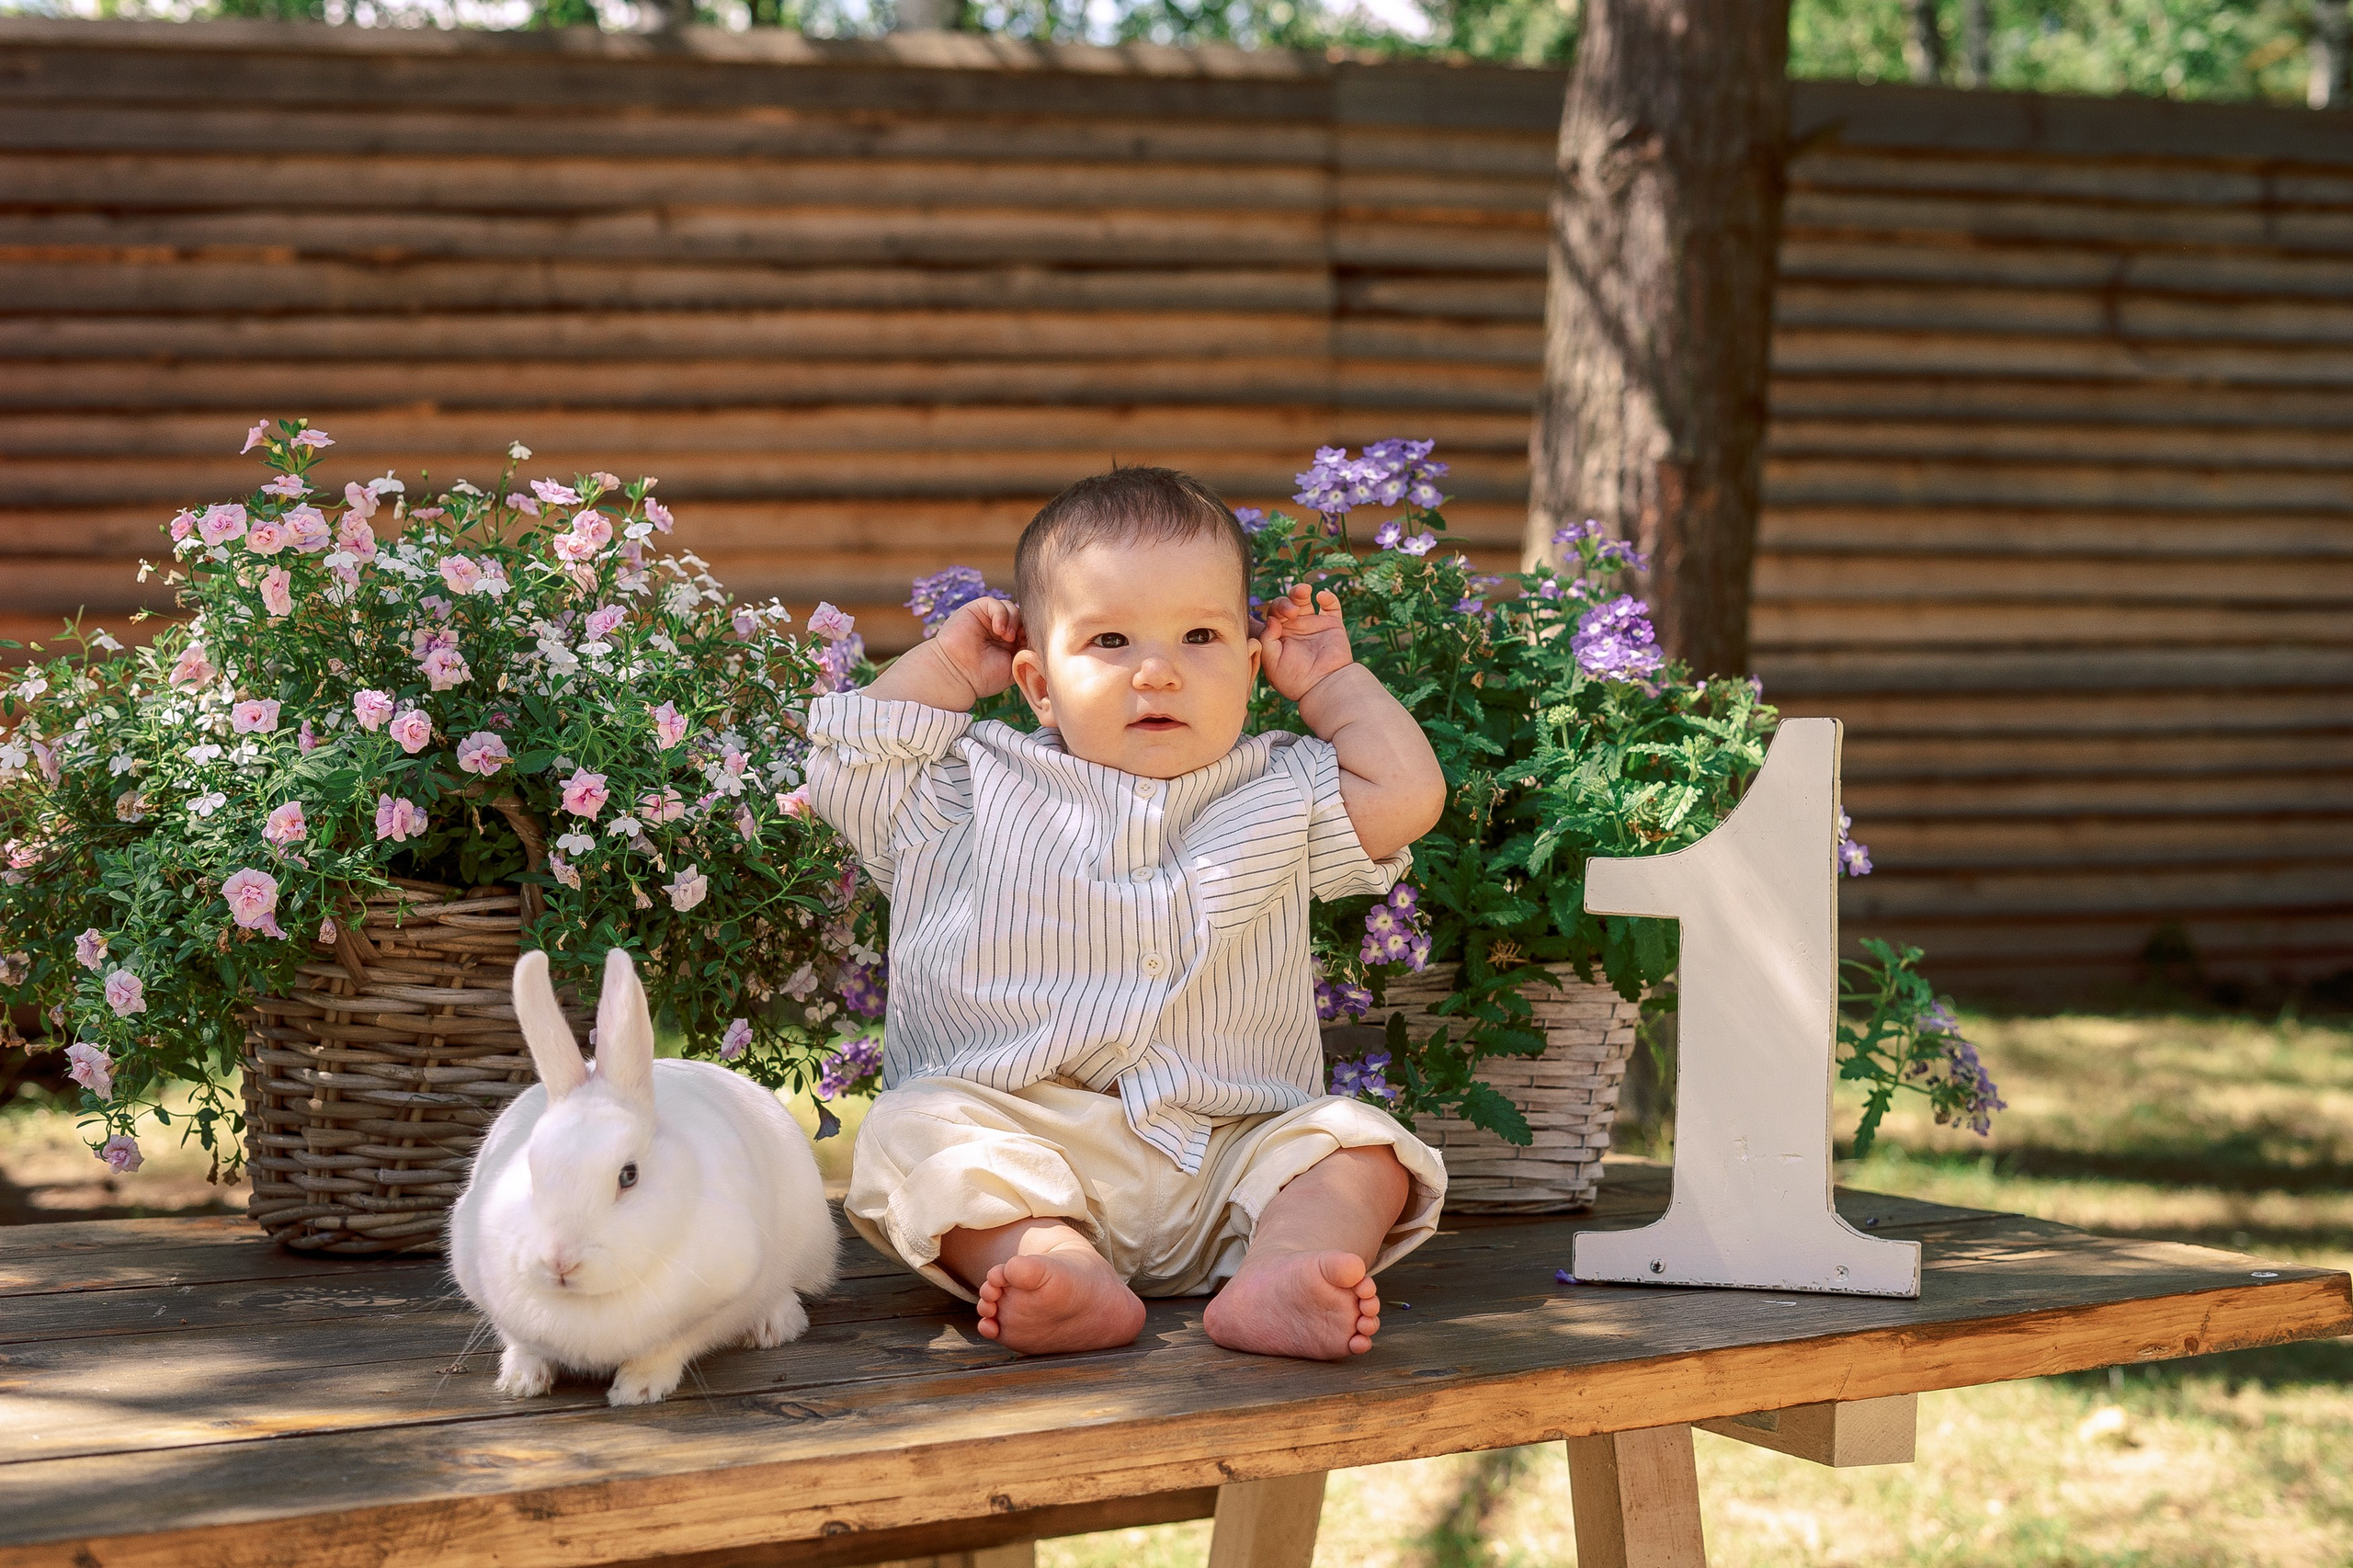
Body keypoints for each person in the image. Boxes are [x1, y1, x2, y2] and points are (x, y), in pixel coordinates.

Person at [805, 467, 1448, 1359]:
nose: (1157, 669)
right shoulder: (964, 787)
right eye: (1109, 638)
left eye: (1199, 635)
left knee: (1358, 1146)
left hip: (1230, 1161)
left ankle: (1285, 1266)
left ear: (1251, 664)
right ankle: (1052, 1262)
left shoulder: (1283, 786)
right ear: (1036, 680)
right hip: (1026, 1145)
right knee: (913, 1131)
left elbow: (1409, 794)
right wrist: (949, 667)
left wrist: (1332, 685)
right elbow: (847, 765)